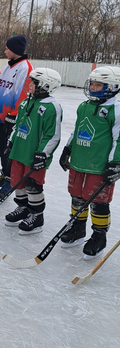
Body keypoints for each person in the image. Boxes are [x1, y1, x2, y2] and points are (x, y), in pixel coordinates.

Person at [59, 66, 120, 259]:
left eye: (98, 85)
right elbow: (77, 129)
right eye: (92, 84)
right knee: (77, 196)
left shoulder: (116, 110)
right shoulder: (85, 106)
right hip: (79, 161)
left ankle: (99, 236)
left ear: (113, 86)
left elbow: (119, 139)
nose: (93, 88)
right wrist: (68, 148)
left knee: (98, 202)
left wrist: (115, 163)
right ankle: (78, 228)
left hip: (99, 165)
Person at [4, 68, 62, 234]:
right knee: (18, 183)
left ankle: (37, 216)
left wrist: (42, 154)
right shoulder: (25, 102)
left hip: (34, 155)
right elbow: (17, 125)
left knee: (33, 186)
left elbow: (53, 135)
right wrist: (11, 143)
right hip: (19, 151)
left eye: (34, 83)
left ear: (46, 85)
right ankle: (23, 208)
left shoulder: (52, 107)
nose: (29, 85)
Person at [0, 35, 33, 198]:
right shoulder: (8, 67)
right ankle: (4, 175)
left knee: (8, 151)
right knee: (1, 149)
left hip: (11, 119)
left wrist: (13, 116)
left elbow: (23, 94)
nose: (5, 51)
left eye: (7, 48)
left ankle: (10, 180)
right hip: (0, 115)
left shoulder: (25, 68)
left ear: (15, 50)